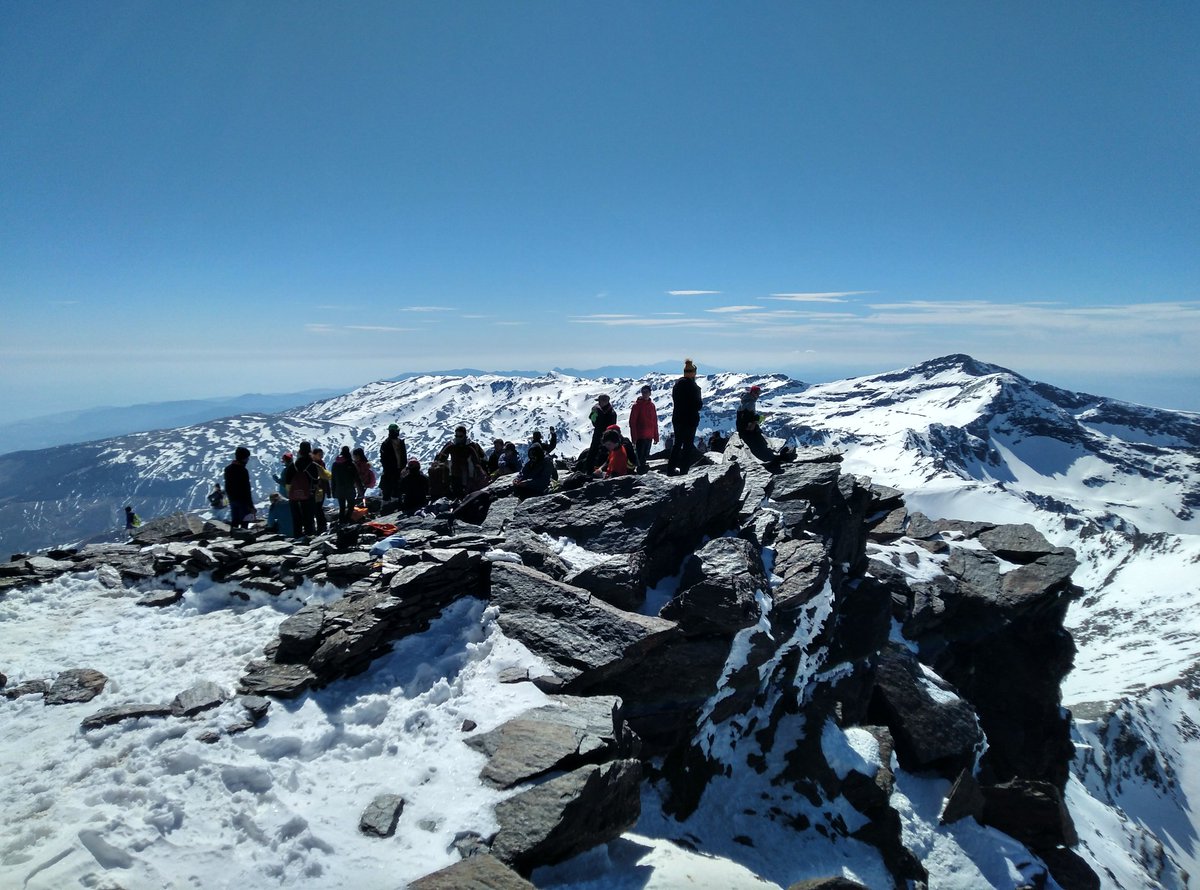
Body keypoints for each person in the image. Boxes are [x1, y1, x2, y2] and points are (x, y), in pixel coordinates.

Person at [736, 385, 795, 466]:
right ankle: (773, 459)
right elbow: (749, 418)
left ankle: (771, 457)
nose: (758, 395)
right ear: (752, 392)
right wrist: (763, 417)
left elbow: (746, 417)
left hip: (743, 429)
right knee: (761, 445)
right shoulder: (750, 403)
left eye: (759, 393)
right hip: (748, 430)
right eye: (757, 393)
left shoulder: (745, 400)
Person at [668, 358, 702, 475]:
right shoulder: (695, 388)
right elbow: (698, 405)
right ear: (693, 373)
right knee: (687, 446)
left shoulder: (677, 385)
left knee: (677, 444)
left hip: (677, 418)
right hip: (690, 420)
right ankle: (684, 470)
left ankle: (670, 469)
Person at [436, 426, 488, 499]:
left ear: (465, 435)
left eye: (460, 436)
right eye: (456, 436)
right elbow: (441, 457)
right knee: (457, 494)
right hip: (455, 473)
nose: (458, 438)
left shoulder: (472, 445)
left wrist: (479, 468)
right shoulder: (451, 445)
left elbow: (483, 458)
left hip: (470, 475)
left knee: (468, 495)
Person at [284, 441, 321, 538]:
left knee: (297, 520)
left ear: (299, 451)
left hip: (294, 498)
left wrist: (290, 493)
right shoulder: (313, 465)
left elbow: (287, 483)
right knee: (309, 519)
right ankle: (309, 538)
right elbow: (316, 482)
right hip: (309, 496)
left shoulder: (293, 465)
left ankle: (297, 539)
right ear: (310, 451)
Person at [628, 385, 659, 474]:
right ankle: (640, 474)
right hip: (640, 436)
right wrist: (634, 437)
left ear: (650, 393)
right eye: (643, 392)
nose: (645, 394)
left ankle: (642, 474)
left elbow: (654, 421)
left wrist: (656, 436)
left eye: (646, 392)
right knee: (640, 458)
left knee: (645, 456)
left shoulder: (652, 406)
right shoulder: (636, 406)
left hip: (649, 435)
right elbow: (632, 422)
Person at [223, 447, 255, 529]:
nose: (248, 460)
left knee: (235, 520)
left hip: (232, 499)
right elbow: (246, 489)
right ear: (243, 458)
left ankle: (234, 536)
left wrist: (230, 498)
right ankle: (244, 537)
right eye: (247, 458)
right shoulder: (243, 471)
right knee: (245, 520)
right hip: (243, 500)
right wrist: (251, 506)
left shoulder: (228, 469)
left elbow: (227, 486)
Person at [586, 394, 617, 472]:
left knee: (602, 454)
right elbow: (594, 422)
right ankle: (588, 470)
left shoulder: (611, 413)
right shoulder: (599, 410)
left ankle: (599, 471)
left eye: (600, 401)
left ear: (605, 402)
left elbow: (611, 427)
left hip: (606, 438)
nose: (599, 403)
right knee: (592, 453)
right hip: (598, 435)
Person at [378, 424, 409, 502]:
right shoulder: (386, 444)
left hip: (400, 469)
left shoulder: (400, 443)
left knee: (398, 487)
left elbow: (403, 456)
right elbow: (383, 459)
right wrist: (388, 468)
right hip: (390, 471)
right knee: (390, 487)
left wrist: (403, 466)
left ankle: (397, 502)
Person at [331, 446, 360, 523]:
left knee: (342, 507)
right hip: (349, 489)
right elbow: (357, 478)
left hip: (339, 489)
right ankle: (347, 520)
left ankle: (341, 521)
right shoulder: (350, 464)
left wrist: (333, 491)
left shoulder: (335, 464)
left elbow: (333, 479)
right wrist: (361, 490)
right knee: (351, 506)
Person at [311, 447, 331, 533]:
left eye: (322, 454)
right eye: (320, 455)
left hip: (320, 489)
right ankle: (322, 525)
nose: (321, 456)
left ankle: (321, 525)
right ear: (314, 455)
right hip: (317, 488)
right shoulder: (314, 464)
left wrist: (328, 490)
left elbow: (325, 478)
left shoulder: (320, 464)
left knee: (317, 508)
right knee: (317, 508)